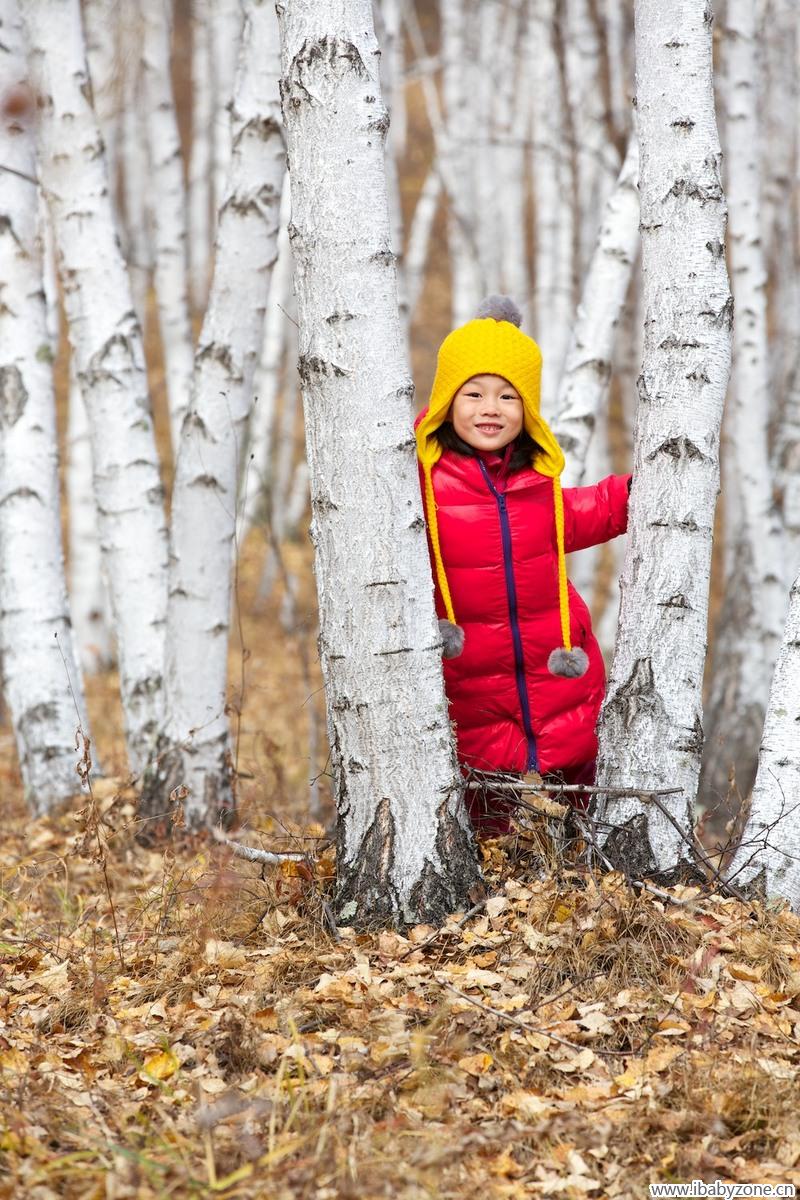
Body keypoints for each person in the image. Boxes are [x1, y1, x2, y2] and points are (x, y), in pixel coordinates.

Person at [414, 295, 631, 836]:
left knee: (578, 775)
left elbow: (586, 513)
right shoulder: (422, 486)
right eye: (475, 393)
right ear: (446, 400)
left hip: (558, 671)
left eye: (508, 396)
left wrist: (640, 492)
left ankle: (580, 858)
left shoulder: (535, 483)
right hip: (471, 681)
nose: (491, 408)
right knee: (486, 798)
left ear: (527, 409)